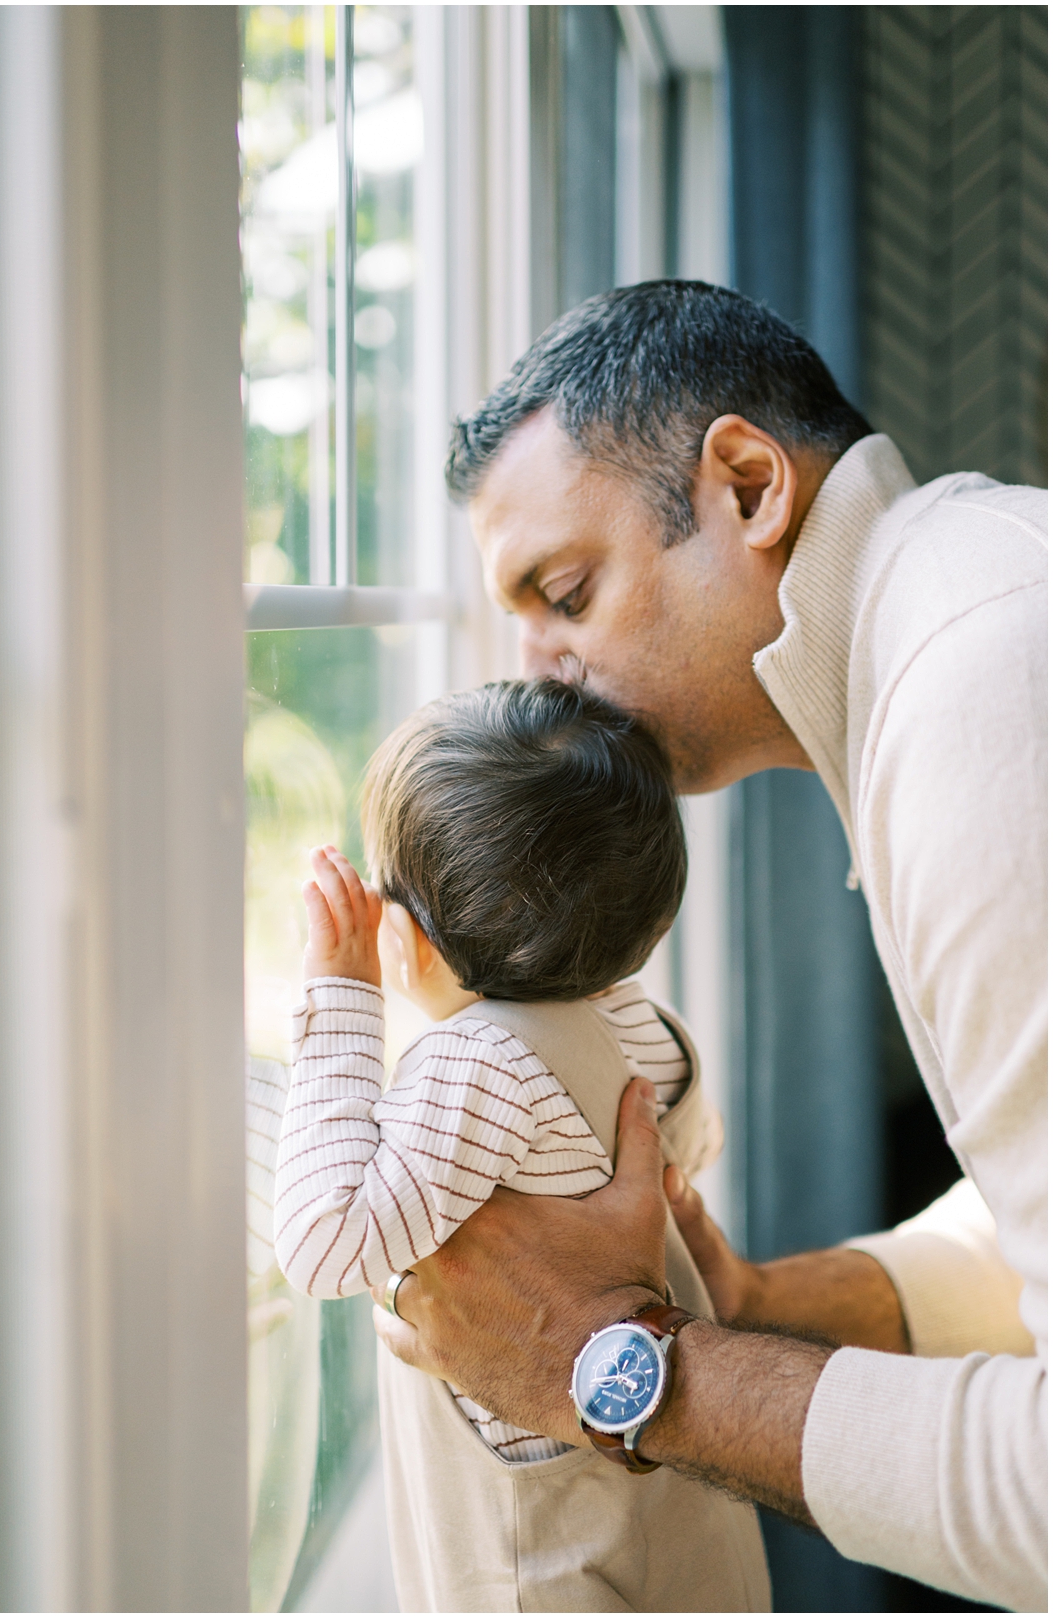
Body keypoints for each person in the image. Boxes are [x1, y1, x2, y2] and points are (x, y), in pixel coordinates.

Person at [371, 281, 1047, 1613]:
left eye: (566, 590)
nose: (541, 676)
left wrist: (622, 1361)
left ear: (746, 484)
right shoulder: (965, 607)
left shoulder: (981, 697)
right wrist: (755, 1298)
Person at [273, 679, 770, 1612]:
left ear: (408, 937)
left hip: (542, 1564)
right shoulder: (627, 1016)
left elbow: (322, 1243)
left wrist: (342, 1000)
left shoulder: (476, 1066)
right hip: (669, 1528)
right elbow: (683, 1136)